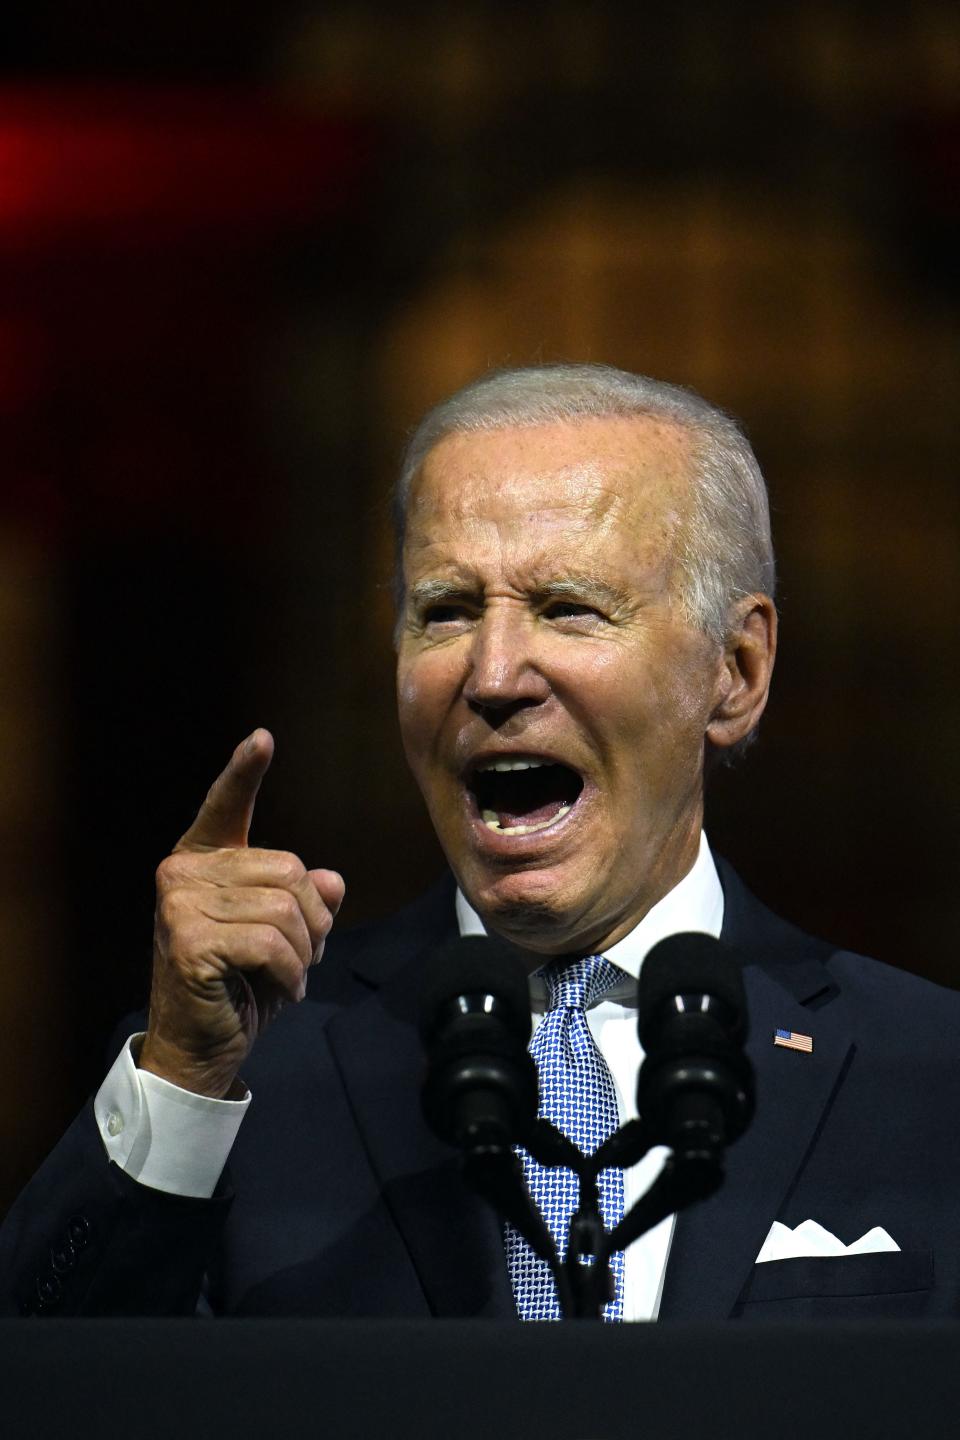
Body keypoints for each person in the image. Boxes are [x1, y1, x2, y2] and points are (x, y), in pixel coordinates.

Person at [2, 363, 958, 1321]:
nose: (494, 675)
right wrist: (179, 1081)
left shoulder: (927, 1074)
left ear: (736, 671)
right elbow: (54, 1395)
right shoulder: (248, 1073)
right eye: (446, 610)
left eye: (569, 607)